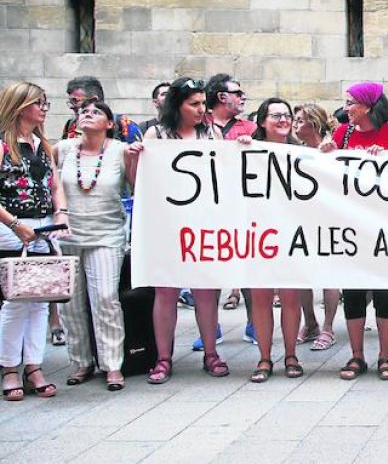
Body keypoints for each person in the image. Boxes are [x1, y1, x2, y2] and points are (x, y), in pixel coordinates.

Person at [320, 82, 388, 380]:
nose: (346, 108)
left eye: (351, 103)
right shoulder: (340, 135)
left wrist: (385, 161)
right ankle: (357, 355)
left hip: (385, 229)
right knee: (354, 292)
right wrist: (326, 155)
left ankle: (385, 356)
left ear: (368, 106)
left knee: (386, 293)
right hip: (351, 228)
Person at [142, 77, 227, 383]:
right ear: (176, 104)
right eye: (194, 103)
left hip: (203, 221)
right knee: (166, 290)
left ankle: (211, 353)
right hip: (167, 223)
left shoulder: (211, 132)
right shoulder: (156, 134)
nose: (201, 109)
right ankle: (163, 358)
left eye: (203, 103)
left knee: (205, 291)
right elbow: (138, 180)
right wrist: (133, 158)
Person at [56, 99, 142, 392]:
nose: (87, 115)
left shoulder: (119, 150)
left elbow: (136, 186)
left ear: (109, 124)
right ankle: (80, 361)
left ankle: (113, 364)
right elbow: (52, 186)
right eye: (84, 112)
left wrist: (135, 160)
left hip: (106, 234)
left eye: (96, 112)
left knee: (105, 298)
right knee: (71, 302)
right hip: (68, 236)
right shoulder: (63, 150)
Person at [1, 82, 69, 400]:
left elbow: (54, 184)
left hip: (43, 226)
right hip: (12, 226)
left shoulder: (43, 145)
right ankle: (10, 367)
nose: (44, 108)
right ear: (19, 106)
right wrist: (14, 224)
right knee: (15, 300)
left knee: (41, 299)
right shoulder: (4, 145)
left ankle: (34, 364)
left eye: (45, 103)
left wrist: (61, 213)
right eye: (38, 103)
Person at [236, 98, 306, 382]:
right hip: (258, 232)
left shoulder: (302, 154)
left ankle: (291, 354)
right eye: (276, 115)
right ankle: (264, 357)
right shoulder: (246, 150)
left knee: (291, 296)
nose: (283, 120)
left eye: (287, 115)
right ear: (262, 120)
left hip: (291, 233)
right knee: (261, 296)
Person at [204, 73, 256, 339]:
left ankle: (254, 323)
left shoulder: (249, 128)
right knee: (209, 270)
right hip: (207, 207)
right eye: (238, 92)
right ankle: (209, 327)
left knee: (246, 267)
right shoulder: (199, 126)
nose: (242, 97)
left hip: (243, 207)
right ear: (222, 97)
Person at [292, 102, 341, 352]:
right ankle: (310, 322)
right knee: (302, 274)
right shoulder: (293, 151)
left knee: (329, 274)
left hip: (329, 218)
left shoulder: (333, 147)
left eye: (300, 120)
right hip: (302, 218)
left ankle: (328, 327)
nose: (295, 125)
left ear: (313, 122)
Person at [62, 76, 142, 144]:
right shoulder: (71, 125)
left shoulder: (124, 125)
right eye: (70, 102)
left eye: (75, 101)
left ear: (94, 100)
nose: (71, 106)